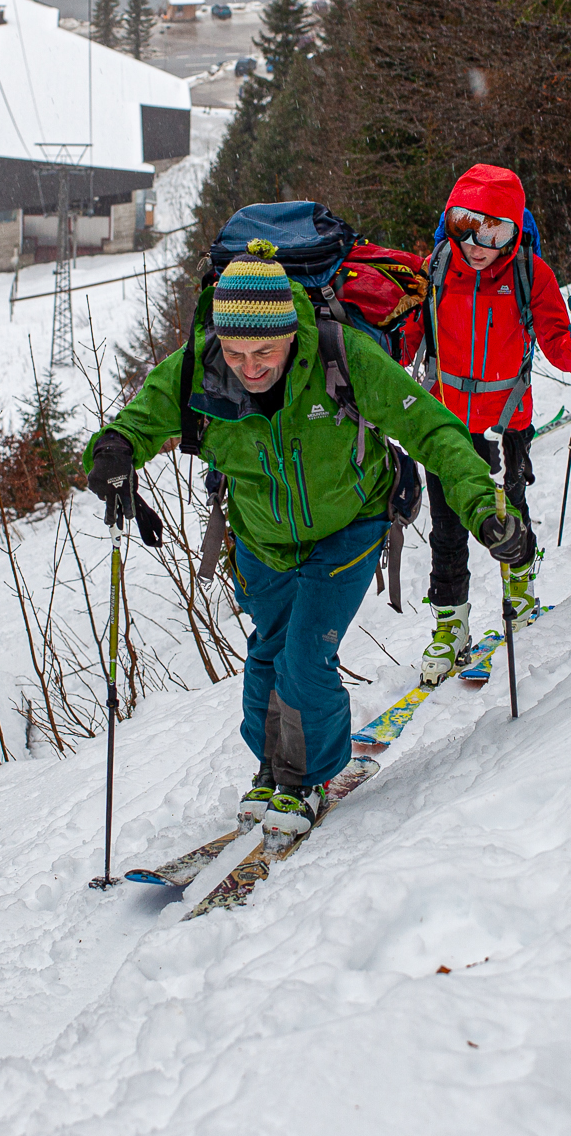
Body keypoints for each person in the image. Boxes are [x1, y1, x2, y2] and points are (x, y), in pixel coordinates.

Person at [83, 242, 533, 837]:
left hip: (350, 526)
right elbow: (135, 424)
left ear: (291, 331)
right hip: (260, 540)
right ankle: (273, 768)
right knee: (267, 652)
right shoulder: (198, 366)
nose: (249, 366)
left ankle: (309, 776)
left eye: (264, 350)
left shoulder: (342, 358)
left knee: (304, 655)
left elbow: (433, 430)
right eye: (237, 351)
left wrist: (482, 506)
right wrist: (111, 455)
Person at [415, 164, 571, 682]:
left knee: (510, 503)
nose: (479, 243)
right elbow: (408, 334)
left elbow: (563, 351)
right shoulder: (436, 268)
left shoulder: (531, 274)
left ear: (515, 230)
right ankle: (451, 622)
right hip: (443, 422)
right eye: (469, 226)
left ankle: (520, 580)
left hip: (507, 420)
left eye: (496, 231)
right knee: (447, 524)